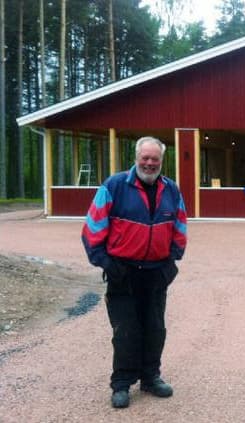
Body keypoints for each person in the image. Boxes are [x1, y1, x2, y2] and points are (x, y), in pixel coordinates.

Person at [81, 136, 187, 408]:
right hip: (123, 272)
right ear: (136, 157)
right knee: (126, 330)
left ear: (162, 161)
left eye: (155, 159)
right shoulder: (114, 186)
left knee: (155, 329)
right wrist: (105, 262)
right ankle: (121, 384)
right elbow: (93, 227)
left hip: (156, 273)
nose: (150, 163)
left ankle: (151, 377)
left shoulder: (171, 190)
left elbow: (180, 227)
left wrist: (172, 261)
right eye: (146, 158)